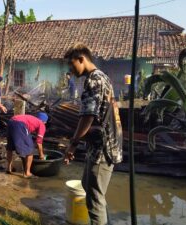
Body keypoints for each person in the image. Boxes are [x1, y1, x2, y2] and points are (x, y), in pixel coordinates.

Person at [63, 43, 122, 225]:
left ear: (82, 59)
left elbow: (88, 116)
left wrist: (72, 144)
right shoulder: (103, 77)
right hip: (101, 146)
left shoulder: (94, 80)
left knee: (94, 199)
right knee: (90, 188)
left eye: (72, 65)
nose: (71, 71)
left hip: (103, 149)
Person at [6, 112, 48, 178]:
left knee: (10, 147)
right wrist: (41, 155)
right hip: (20, 124)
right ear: (44, 121)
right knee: (30, 150)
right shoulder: (41, 124)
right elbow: (39, 142)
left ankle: (9, 168)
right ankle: (27, 173)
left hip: (11, 121)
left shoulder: (33, 119)